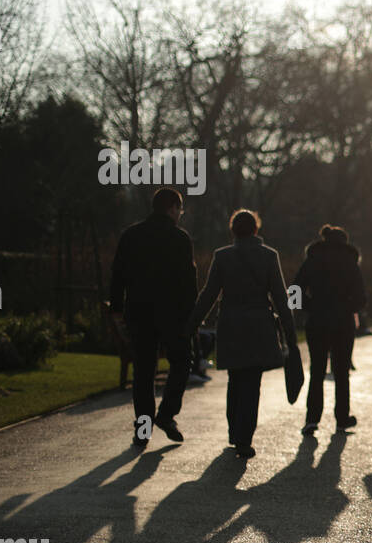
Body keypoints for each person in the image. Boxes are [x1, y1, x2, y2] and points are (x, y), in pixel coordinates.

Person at [186, 209, 299, 459]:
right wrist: (290, 333)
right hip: (259, 327)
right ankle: (244, 438)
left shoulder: (222, 256)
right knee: (252, 383)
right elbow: (281, 296)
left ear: (233, 231)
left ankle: (234, 431)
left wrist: (193, 322)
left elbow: (209, 293)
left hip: (230, 325)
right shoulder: (269, 256)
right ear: (256, 230)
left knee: (234, 379)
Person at [109, 186, 196, 447]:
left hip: (139, 311)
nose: (180, 214)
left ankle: (143, 429)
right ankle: (167, 414)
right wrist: (193, 315)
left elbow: (118, 274)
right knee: (181, 362)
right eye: (179, 208)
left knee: (144, 372)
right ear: (172, 208)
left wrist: (116, 306)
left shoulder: (131, 235)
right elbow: (188, 282)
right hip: (172, 314)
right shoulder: (180, 238)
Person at [292, 224, 366, 435]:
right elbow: (361, 297)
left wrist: (307, 307)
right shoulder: (351, 262)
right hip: (343, 322)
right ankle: (342, 419)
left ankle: (312, 419)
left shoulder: (313, 259)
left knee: (316, 371)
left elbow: (295, 288)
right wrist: (349, 308)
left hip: (317, 320)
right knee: (342, 372)